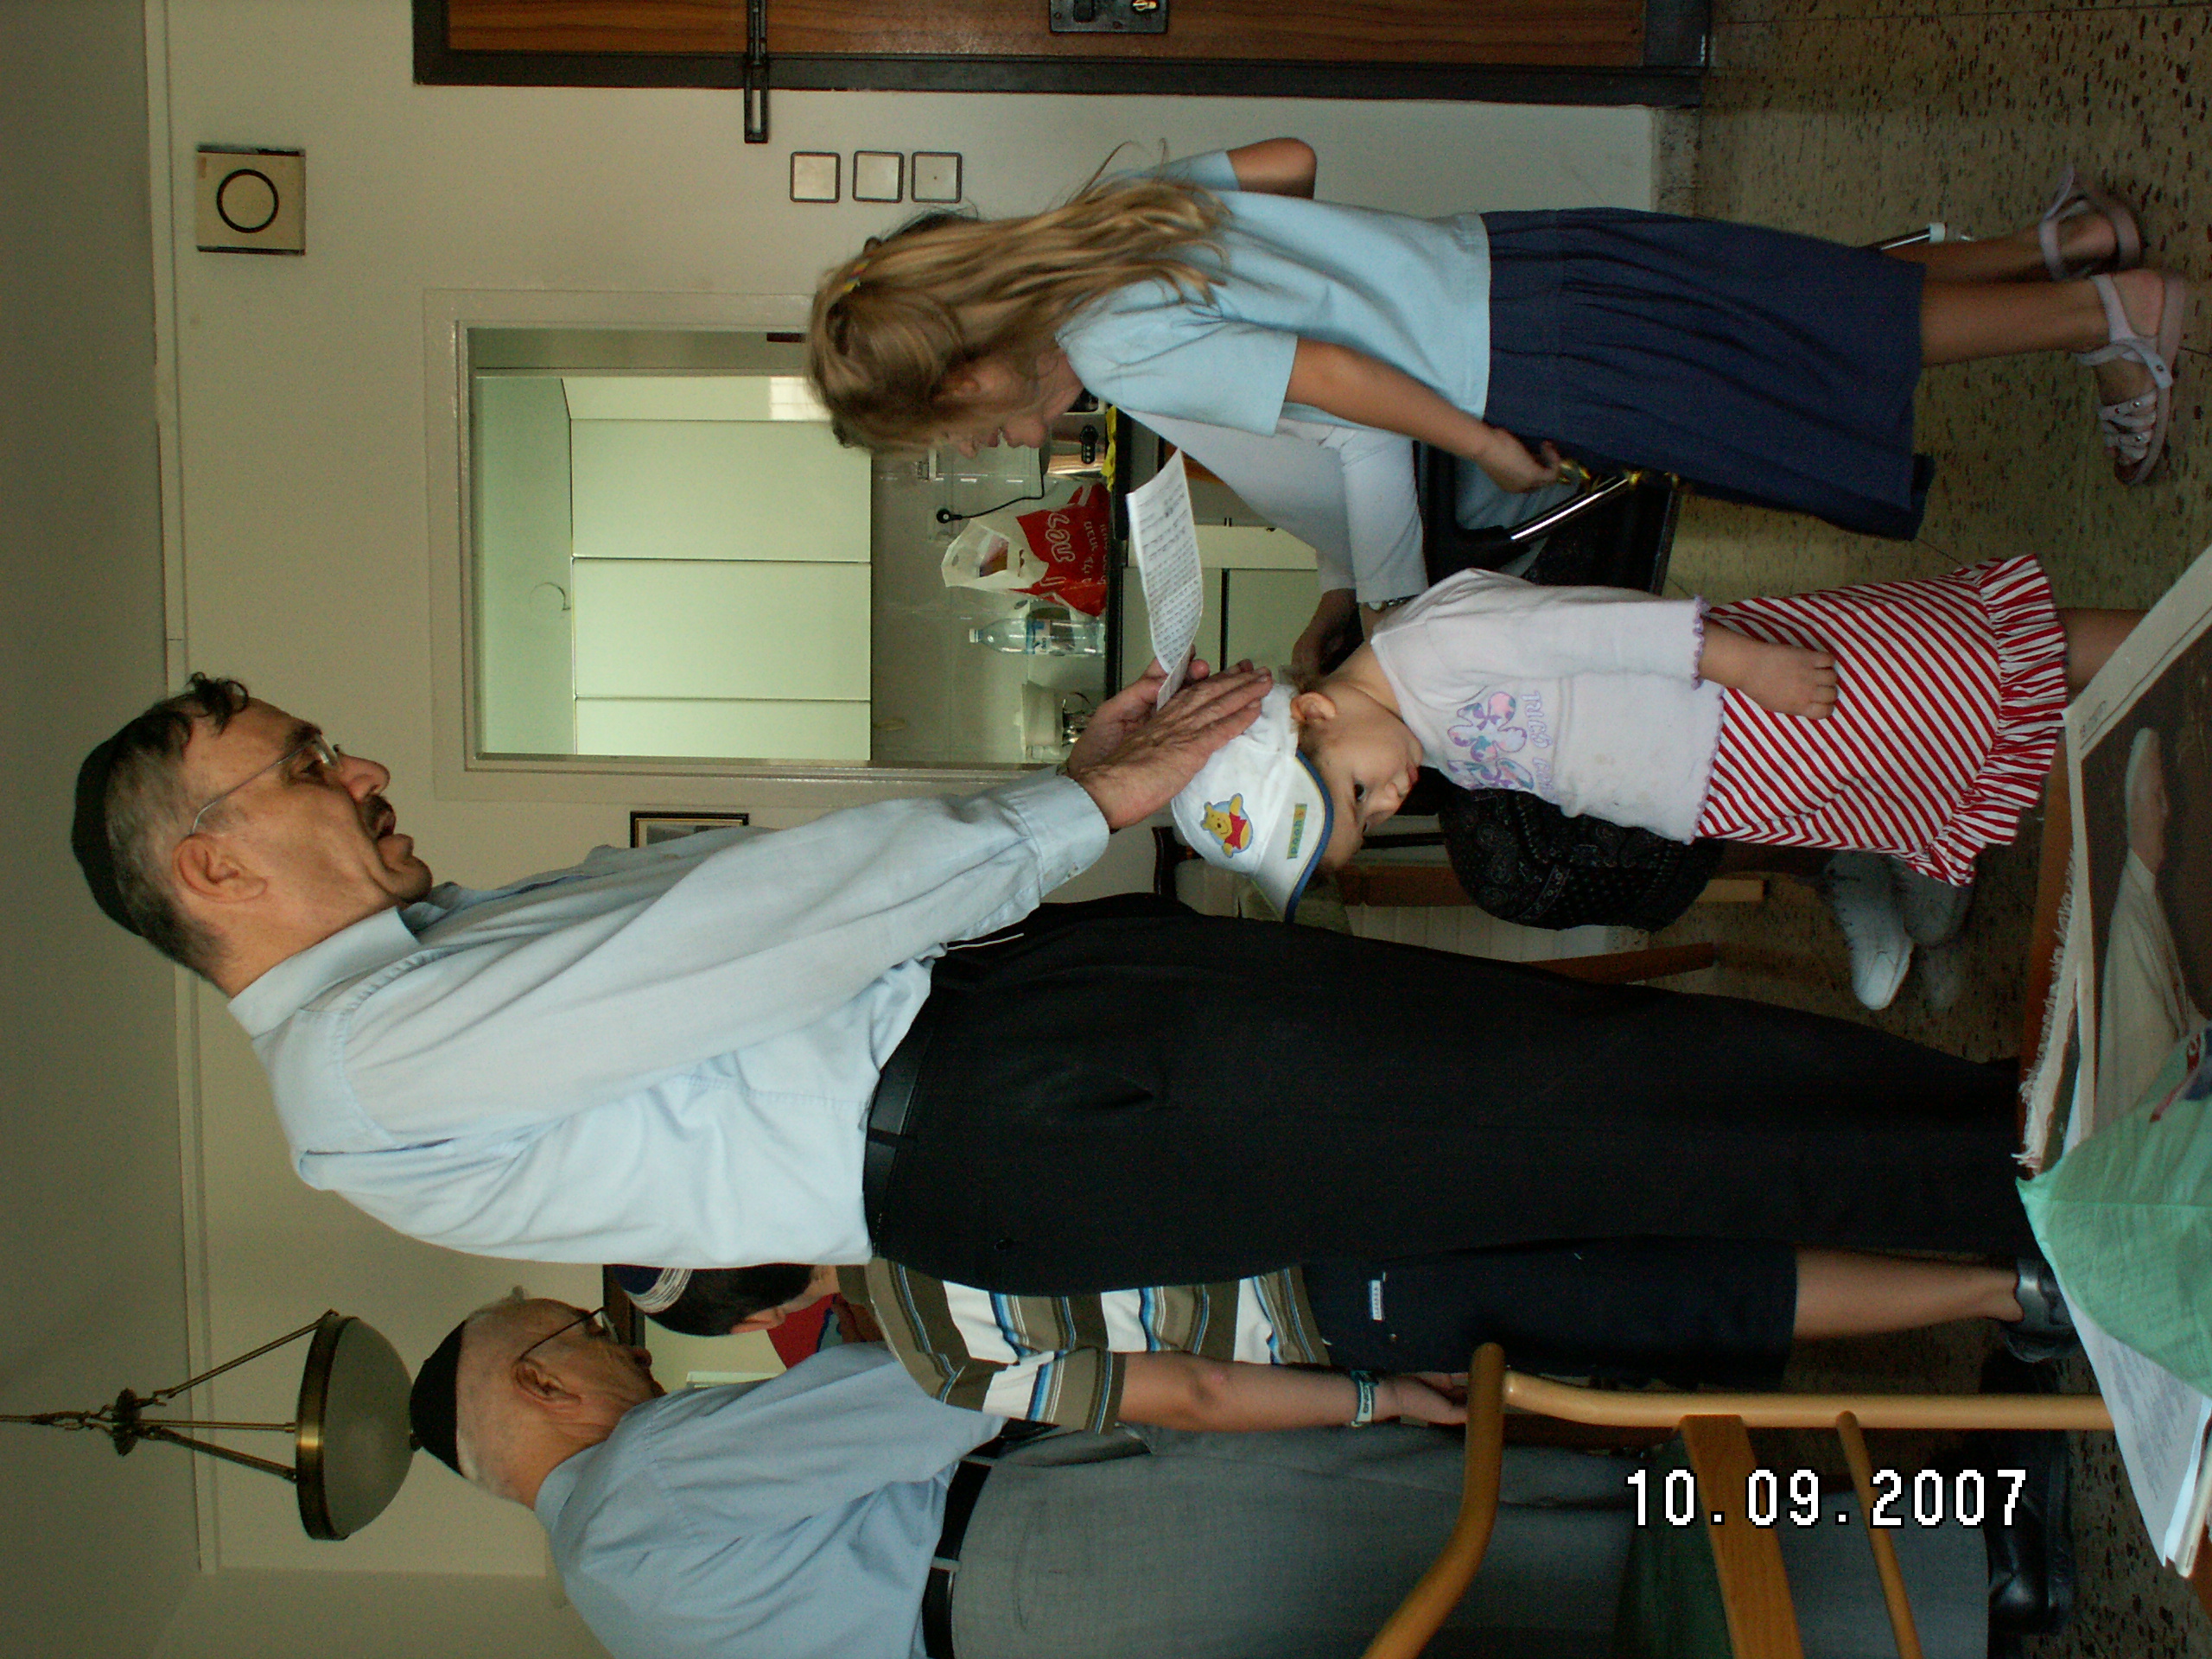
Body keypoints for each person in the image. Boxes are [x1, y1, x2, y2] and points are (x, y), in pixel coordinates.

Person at [72, 664, 2042, 1292]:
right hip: (1013, 1110)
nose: (362, 769)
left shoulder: (419, 965)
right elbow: (737, 941)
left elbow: (750, 909)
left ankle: (2018, 1138)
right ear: (212, 865)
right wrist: (1081, 801)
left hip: (1021, 1045)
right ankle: (2063, 1196)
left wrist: (1060, 801)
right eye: (306, 766)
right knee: (1580, 1124)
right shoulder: (357, 1065)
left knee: (1577, 1068)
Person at [805, 142, 2187, 566]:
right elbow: (1286, 164)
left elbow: (1336, 383)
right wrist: (1343, 267)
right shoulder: (1117, 212)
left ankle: (2115, 317)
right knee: (1798, 298)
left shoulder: (1117, 354)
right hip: (1517, 259)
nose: (1003, 441)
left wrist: (1477, 444)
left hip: (1521, 366)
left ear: (967, 372)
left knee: (1823, 352)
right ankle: (2066, 245)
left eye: (970, 429)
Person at [410, 1294, 1641, 1659]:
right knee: (1525, 1540)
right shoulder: (646, 1476)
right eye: (587, 1331)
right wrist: (1372, 1395)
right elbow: (971, 1378)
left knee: (1491, 1623)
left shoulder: (613, 1612)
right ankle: (1758, 1520)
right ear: (541, 1383)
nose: (626, 1349)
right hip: (1073, 1549)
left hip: (1022, 1628)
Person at [1171, 562, 2139, 921]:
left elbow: (1596, 626)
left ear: (1315, 715)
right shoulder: (1407, 725)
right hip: (1729, 774)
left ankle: (2169, 642)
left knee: (1966, 668)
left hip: (1737, 702)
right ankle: (2138, 733)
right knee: (1938, 749)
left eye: (1358, 794)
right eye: (1373, 820)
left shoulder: (1431, 650)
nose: (1391, 801)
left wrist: (1742, 664)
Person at [613, 1245, 2069, 1432]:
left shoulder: (946, 1367)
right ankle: (1977, 1202)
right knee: (1659, 1199)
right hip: (1337, 1179)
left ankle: (2006, 1293)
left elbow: (1191, 1389)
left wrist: (1381, 1406)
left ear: (773, 1318)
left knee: (1684, 1295)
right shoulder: (927, 1158)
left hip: (1346, 1317)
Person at [2096, 726, 2204, 1116]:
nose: (2167, 811)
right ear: (2131, 810)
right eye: (2157, 797)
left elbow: (2184, 1015)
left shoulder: (2147, 897)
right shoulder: (2130, 924)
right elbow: (2154, 1082)